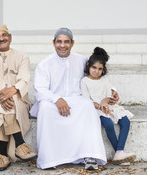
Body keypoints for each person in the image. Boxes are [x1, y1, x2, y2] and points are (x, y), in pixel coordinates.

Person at [30, 27, 119, 170]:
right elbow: (40, 90)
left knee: (88, 106)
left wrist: (113, 90)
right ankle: (50, 159)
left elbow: (96, 74)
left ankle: (89, 155)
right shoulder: (44, 64)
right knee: (45, 108)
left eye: (66, 42)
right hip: (52, 101)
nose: (62, 45)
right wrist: (57, 99)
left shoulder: (82, 60)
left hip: (76, 100)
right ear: (53, 43)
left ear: (72, 43)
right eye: (59, 42)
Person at [0, 24, 37, 172]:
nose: (1, 39)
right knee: (2, 106)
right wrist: (0, 95)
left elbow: (24, 81)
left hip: (19, 99)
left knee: (8, 104)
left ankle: (2, 155)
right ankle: (20, 145)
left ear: (10, 37)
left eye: (4, 35)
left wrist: (10, 92)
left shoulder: (22, 57)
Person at [81, 47, 136, 166]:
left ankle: (119, 151)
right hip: (95, 109)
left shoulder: (105, 80)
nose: (96, 71)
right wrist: (100, 106)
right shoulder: (84, 81)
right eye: (94, 67)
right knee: (108, 124)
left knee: (125, 121)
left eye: (100, 69)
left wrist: (105, 102)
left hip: (107, 105)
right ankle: (119, 154)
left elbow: (107, 95)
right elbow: (86, 99)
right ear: (88, 66)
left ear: (103, 70)